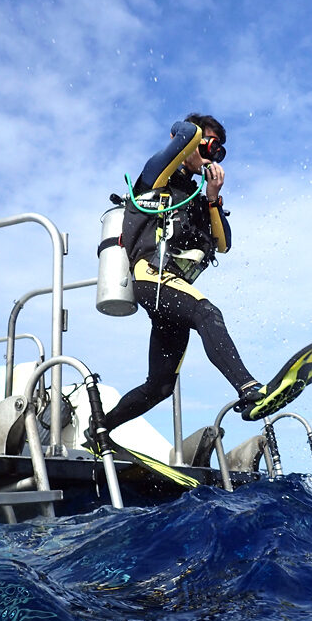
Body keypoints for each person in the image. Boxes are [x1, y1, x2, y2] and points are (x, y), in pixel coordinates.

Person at [97, 114, 264, 437]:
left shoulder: (197, 199)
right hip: (152, 277)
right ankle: (248, 387)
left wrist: (213, 197)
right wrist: (194, 140)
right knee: (207, 313)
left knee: (160, 386)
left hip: (173, 290)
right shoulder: (156, 176)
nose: (212, 155)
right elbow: (184, 131)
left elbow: (224, 244)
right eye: (207, 145)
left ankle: (98, 430)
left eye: (217, 149)